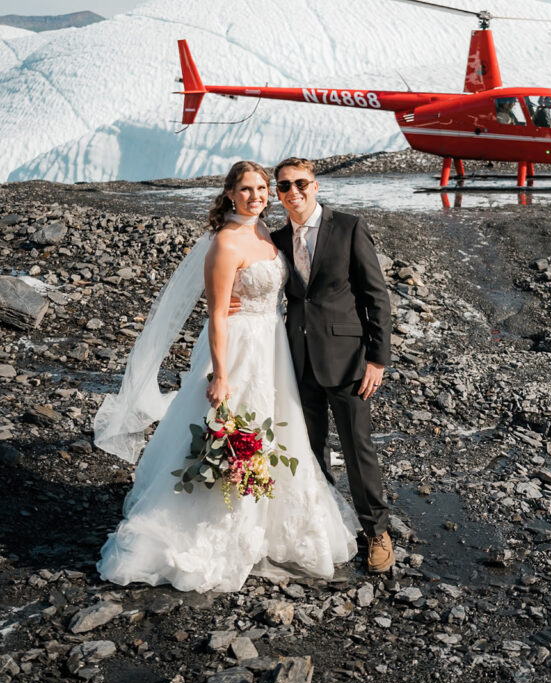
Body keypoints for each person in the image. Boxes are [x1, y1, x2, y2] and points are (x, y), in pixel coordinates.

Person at [93, 161, 357, 593]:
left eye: (262, 188)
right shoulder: (224, 243)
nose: (256, 196)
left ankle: (274, 527)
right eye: (247, 189)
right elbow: (216, 314)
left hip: (273, 346)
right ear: (230, 194)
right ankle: (215, 527)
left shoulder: (265, 233)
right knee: (234, 429)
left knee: (279, 430)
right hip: (239, 348)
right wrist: (219, 373)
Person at [269, 157, 394, 574]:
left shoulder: (349, 227)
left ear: (316, 185)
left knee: (358, 450)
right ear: (278, 193)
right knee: (309, 447)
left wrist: (377, 358)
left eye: (300, 183)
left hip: (347, 360)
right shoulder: (277, 239)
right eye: (284, 186)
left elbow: (375, 296)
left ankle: (377, 531)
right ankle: (324, 524)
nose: (294, 192)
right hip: (298, 360)